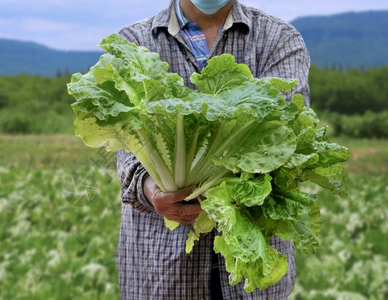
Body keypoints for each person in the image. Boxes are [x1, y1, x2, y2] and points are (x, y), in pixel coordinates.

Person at [115, 0, 310, 299]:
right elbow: (126, 145)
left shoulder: (278, 39)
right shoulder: (134, 43)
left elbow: (285, 140)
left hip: (249, 268)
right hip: (161, 271)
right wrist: (152, 188)